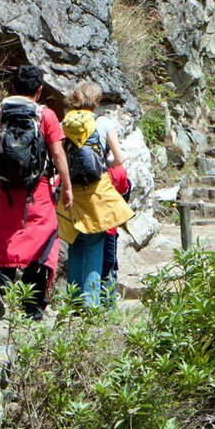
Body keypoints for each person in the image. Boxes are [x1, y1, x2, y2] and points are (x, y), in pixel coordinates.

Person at [0, 66, 74, 320]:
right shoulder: (46, 116)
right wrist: (67, 187)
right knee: (43, 242)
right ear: (39, 89)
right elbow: (57, 154)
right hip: (39, 190)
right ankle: (33, 308)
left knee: (5, 238)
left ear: (12, 88)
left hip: (7, 191)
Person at [58, 81, 134, 308]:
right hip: (96, 190)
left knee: (75, 244)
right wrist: (105, 162)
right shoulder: (103, 123)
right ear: (96, 101)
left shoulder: (65, 124)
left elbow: (58, 158)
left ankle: (73, 302)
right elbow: (119, 159)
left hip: (70, 190)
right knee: (94, 245)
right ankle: (90, 304)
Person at [93, 109, 130, 298]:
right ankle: (108, 301)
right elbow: (124, 192)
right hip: (109, 227)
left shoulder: (84, 165)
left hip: (85, 222)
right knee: (109, 266)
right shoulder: (117, 170)